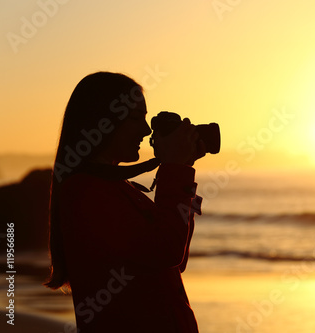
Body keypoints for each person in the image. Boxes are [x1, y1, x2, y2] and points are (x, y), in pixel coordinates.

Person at [45, 71, 203, 332]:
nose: (145, 129)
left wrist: (182, 167)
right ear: (102, 122)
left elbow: (175, 259)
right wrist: (175, 169)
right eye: (134, 118)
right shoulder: (85, 192)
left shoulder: (116, 186)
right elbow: (165, 250)